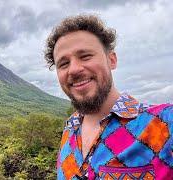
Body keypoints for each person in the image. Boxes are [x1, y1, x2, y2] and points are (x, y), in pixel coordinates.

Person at [44, 14, 173, 179]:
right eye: (63, 64)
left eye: (85, 56)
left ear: (112, 60)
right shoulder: (69, 131)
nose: (74, 69)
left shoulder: (164, 123)